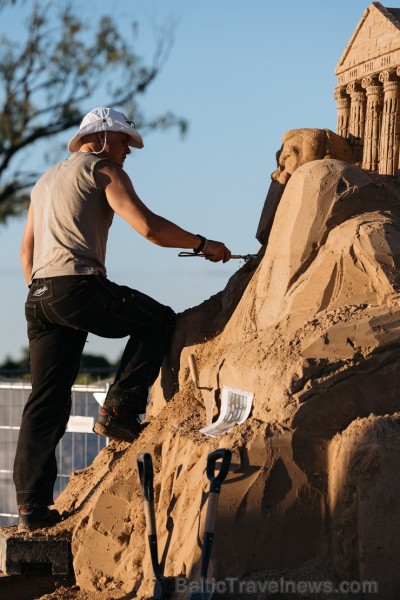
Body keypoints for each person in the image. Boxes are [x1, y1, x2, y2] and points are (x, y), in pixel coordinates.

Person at [14, 106, 231, 531]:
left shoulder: (43, 182)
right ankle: (119, 410)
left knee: (45, 401)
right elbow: (148, 227)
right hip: (78, 285)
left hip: (39, 295)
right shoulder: (103, 171)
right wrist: (203, 243)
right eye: (124, 142)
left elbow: (26, 252)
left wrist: (49, 298)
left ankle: (31, 510)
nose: (128, 152)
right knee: (158, 320)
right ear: (100, 138)